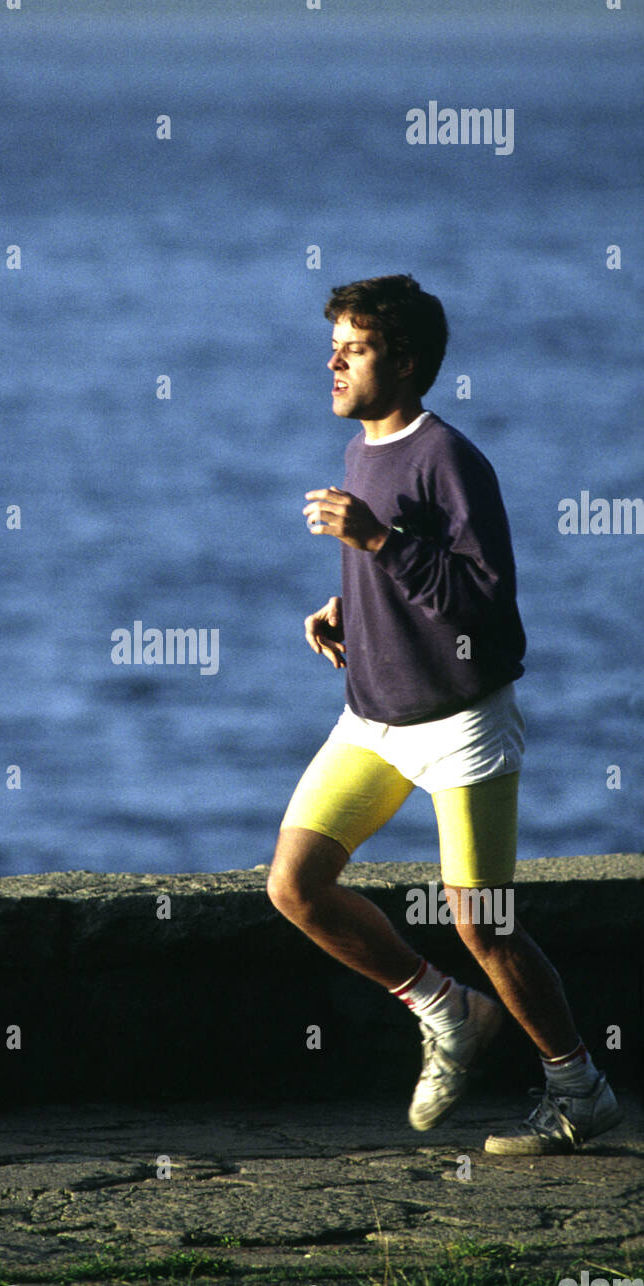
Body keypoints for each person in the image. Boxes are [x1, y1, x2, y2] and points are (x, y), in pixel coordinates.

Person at [266, 274, 621, 1154]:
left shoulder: (450, 458)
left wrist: (378, 544)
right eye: (335, 344)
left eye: (356, 347)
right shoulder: (361, 452)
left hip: (461, 722)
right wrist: (346, 604)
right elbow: (408, 573)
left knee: (483, 923)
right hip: (373, 721)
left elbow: (486, 599)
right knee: (294, 886)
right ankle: (445, 1009)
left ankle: (580, 1087)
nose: (334, 361)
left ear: (409, 362)